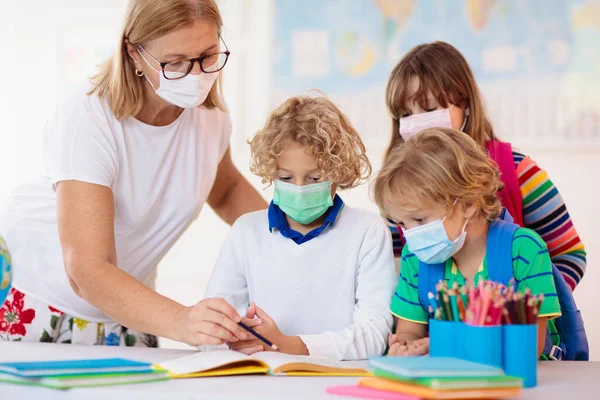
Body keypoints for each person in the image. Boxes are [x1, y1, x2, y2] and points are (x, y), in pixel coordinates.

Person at [0, 0, 266, 347]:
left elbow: (227, 190)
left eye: (208, 56)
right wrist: (180, 320)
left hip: (127, 310)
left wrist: (289, 238)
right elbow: (87, 270)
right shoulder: (89, 120)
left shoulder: (209, 120)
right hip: (35, 302)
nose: (197, 75)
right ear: (134, 55)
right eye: (176, 63)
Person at [204, 95, 396, 360]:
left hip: (338, 383)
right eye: (285, 177)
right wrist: (236, 335)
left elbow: (375, 335)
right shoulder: (246, 231)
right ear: (271, 172)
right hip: (264, 381)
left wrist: (290, 345)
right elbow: (210, 330)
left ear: (337, 172)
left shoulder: (367, 231)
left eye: (315, 178)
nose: (300, 188)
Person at [384, 41, 586, 291]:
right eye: (405, 114)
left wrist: (524, 307)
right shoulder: (397, 185)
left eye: (429, 108)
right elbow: (394, 266)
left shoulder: (517, 170)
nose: (417, 123)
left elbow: (569, 254)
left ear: (465, 104)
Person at [373, 128, 561, 357]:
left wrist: (443, 346)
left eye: (420, 219)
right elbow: (410, 330)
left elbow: (530, 347)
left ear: (468, 204)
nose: (411, 235)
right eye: (402, 223)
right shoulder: (415, 259)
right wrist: (406, 346)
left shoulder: (523, 250)